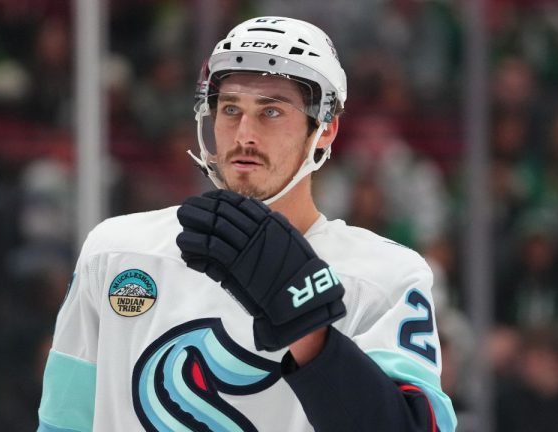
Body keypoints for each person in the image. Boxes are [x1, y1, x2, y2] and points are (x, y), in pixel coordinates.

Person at [37, 16, 456, 431]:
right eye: (231, 109)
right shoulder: (116, 251)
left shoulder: (387, 277)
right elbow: (63, 423)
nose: (244, 135)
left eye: (271, 111)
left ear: (325, 129)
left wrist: (309, 327)